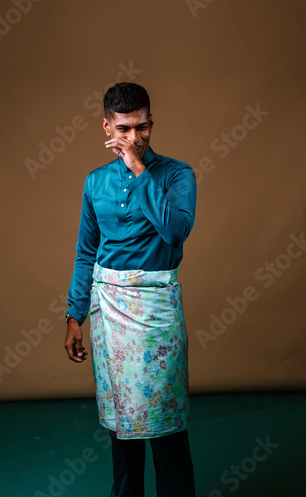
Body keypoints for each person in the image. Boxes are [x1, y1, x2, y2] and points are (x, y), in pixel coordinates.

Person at [64, 82, 197, 497]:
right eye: (123, 129)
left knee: (164, 428)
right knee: (123, 430)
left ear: (151, 123)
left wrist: (139, 167)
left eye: (141, 128)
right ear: (106, 126)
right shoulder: (95, 182)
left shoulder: (177, 174)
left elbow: (175, 231)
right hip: (108, 314)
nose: (134, 138)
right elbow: (87, 252)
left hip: (155, 314)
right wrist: (74, 315)